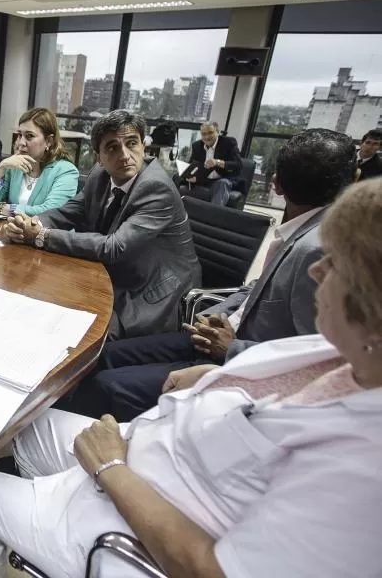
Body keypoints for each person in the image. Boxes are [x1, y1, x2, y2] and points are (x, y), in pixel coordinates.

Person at [0, 178, 382, 578]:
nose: (316, 272)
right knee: (28, 426)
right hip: (154, 456)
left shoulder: (364, 465)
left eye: (337, 265)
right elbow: (280, 390)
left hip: (141, 515)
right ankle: (42, 513)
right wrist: (217, 373)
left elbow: (213, 570)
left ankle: (51, 523)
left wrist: (111, 469)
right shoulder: (345, 352)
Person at [63, 128, 359, 421]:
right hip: (216, 336)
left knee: (108, 386)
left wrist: (232, 348)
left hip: (243, 364)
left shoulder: (319, 250)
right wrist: (219, 314)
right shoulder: (302, 232)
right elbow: (259, 288)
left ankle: (73, 441)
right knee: (104, 355)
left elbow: (319, 357)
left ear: (276, 185)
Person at [5, 110, 200, 340]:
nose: (125, 155)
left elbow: (114, 247)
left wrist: (41, 235)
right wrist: (30, 223)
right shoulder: (100, 175)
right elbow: (69, 213)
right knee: (38, 303)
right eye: (112, 147)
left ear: (143, 146)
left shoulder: (157, 188)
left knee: (76, 334)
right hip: (110, 275)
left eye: (131, 143)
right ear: (99, 157)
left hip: (151, 293)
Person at [0, 108, 78, 217]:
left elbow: (50, 212)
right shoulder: (15, 166)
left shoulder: (66, 171)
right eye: (19, 135)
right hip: (12, 230)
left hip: (46, 233)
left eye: (29, 136)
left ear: (48, 141)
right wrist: (0, 168)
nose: (21, 143)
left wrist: (3, 208)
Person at [178, 121, 242, 206]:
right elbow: (192, 166)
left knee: (222, 183)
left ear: (217, 132)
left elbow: (238, 165)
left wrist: (217, 162)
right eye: (204, 134)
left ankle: (213, 216)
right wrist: (191, 176)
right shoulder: (197, 145)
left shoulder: (229, 143)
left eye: (210, 133)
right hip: (204, 179)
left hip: (222, 178)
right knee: (176, 177)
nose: (207, 137)